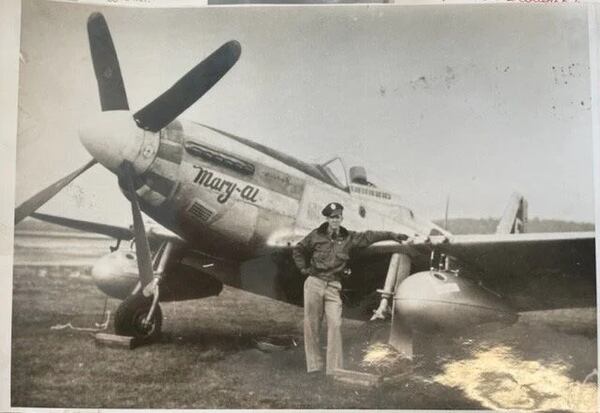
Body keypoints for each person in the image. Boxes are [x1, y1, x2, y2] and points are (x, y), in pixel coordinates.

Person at [292, 202, 410, 375]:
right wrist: (304, 269)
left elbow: (370, 236)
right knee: (311, 325)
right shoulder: (316, 235)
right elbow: (298, 250)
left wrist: (392, 234)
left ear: (341, 218)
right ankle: (314, 366)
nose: (335, 220)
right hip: (314, 283)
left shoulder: (348, 238)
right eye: (332, 217)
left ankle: (334, 369)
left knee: (335, 324)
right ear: (327, 218)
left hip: (333, 286)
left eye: (338, 217)